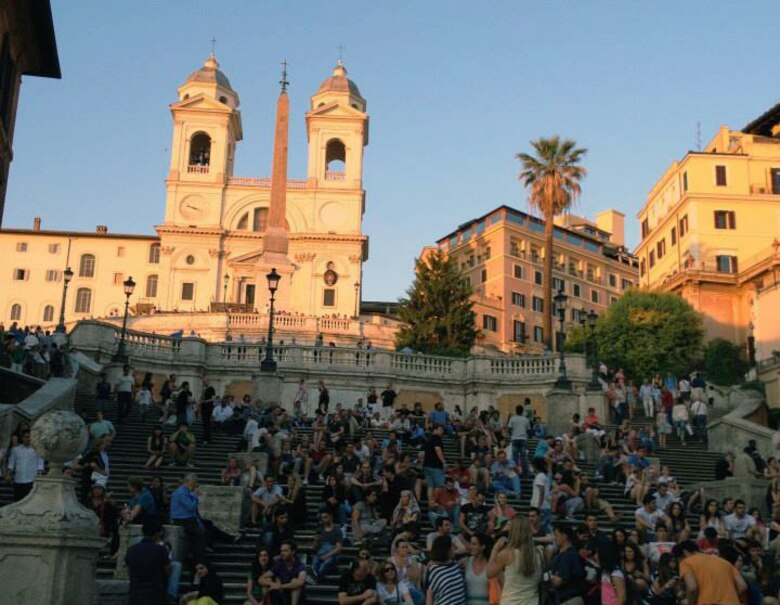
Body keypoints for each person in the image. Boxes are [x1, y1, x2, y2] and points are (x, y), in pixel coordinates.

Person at [673, 540, 747, 605]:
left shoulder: (686, 562)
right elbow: (742, 585)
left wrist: (690, 602)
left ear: (684, 552)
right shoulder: (724, 562)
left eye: (679, 560)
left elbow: (692, 588)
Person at [125, 520, 171, 605]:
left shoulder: (131, 550)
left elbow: (129, 570)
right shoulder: (160, 550)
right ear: (157, 533)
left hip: (135, 592)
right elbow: (167, 570)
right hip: (155, 593)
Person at [547, 524, 585, 605]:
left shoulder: (568, 555)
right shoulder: (560, 554)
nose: (554, 538)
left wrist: (547, 576)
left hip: (569, 600)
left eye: (556, 535)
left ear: (564, 536)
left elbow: (558, 582)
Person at [261, 540, 308, 605]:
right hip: (282, 595)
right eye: (281, 551)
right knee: (269, 581)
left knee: (295, 581)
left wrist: (281, 586)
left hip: (297, 598)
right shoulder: (279, 564)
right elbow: (261, 579)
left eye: (285, 551)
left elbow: (300, 582)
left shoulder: (300, 565)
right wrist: (272, 584)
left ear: (293, 552)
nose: (282, 553)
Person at [4, 429, 44, 501]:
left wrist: (39, 477)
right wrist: (8, 474)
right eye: (26, 437)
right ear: (22, 438)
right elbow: (11, 463)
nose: (28, 439)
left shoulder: (37, 450)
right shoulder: (16, 450)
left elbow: (40, 464)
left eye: (29, 437)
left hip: (31, 480)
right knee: (17, 500)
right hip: (18, 479)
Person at [426, 535, 467, 605]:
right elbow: (429, 596)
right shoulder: (434, 570)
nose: (454, 548)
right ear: (445, 550)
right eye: (451, 547)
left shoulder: (455, 565)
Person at [310, 510, 343, 583]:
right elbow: (313, 547)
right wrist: (316, 540)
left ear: (331, 517)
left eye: (325, 517)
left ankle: (317, 581)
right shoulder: (319, 529)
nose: (323, 520)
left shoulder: (337, 530)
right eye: (322, 518)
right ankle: (315, 581)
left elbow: (338, 548)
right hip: (320, 553)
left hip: (332, 555)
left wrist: (326, 556)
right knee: (314, 565)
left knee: (323, 566)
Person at [461, 532, 491, 605]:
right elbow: (449, 565)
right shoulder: (466, 561)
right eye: (470, 543)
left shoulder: (491, 563)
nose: (470, 546)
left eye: (474, 544)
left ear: (483, 546)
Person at [423, 424, 446, 505]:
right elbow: (438, 449)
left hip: (427, 465)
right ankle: (434, 501)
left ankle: (430, 502)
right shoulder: (437, 439)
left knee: (430, 486)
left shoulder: (428, 439)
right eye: (441, 429)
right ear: (435, 429)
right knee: (439, 485)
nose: (442, 431)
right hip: (435, 465)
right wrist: (443, 461)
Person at [507, 404, 531, 475]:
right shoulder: (526, 419)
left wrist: (512, 434)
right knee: (524, 456)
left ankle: (515, 471)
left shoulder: (512, 419)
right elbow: (528, 430)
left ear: (516, 411)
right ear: (522, 411)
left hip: (514, 439)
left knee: (515, 456)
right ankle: (525, 472)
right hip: (523, 439)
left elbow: (509, 429)